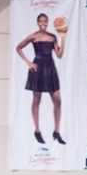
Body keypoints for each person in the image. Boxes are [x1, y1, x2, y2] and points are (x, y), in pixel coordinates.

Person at [16, 12, 67, 145]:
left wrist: (62, 38)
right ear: (38, 23)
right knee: (37, 99)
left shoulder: (52, 37)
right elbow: (18, 47)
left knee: (58, 100)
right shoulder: (33, 36)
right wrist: (28, 62)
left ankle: (56, 132)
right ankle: (37, 131)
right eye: (41, 21)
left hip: (50, 68)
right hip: (37, 68)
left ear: (47, 23)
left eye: (45, 21)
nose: (43, 23)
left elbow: (59, 55)